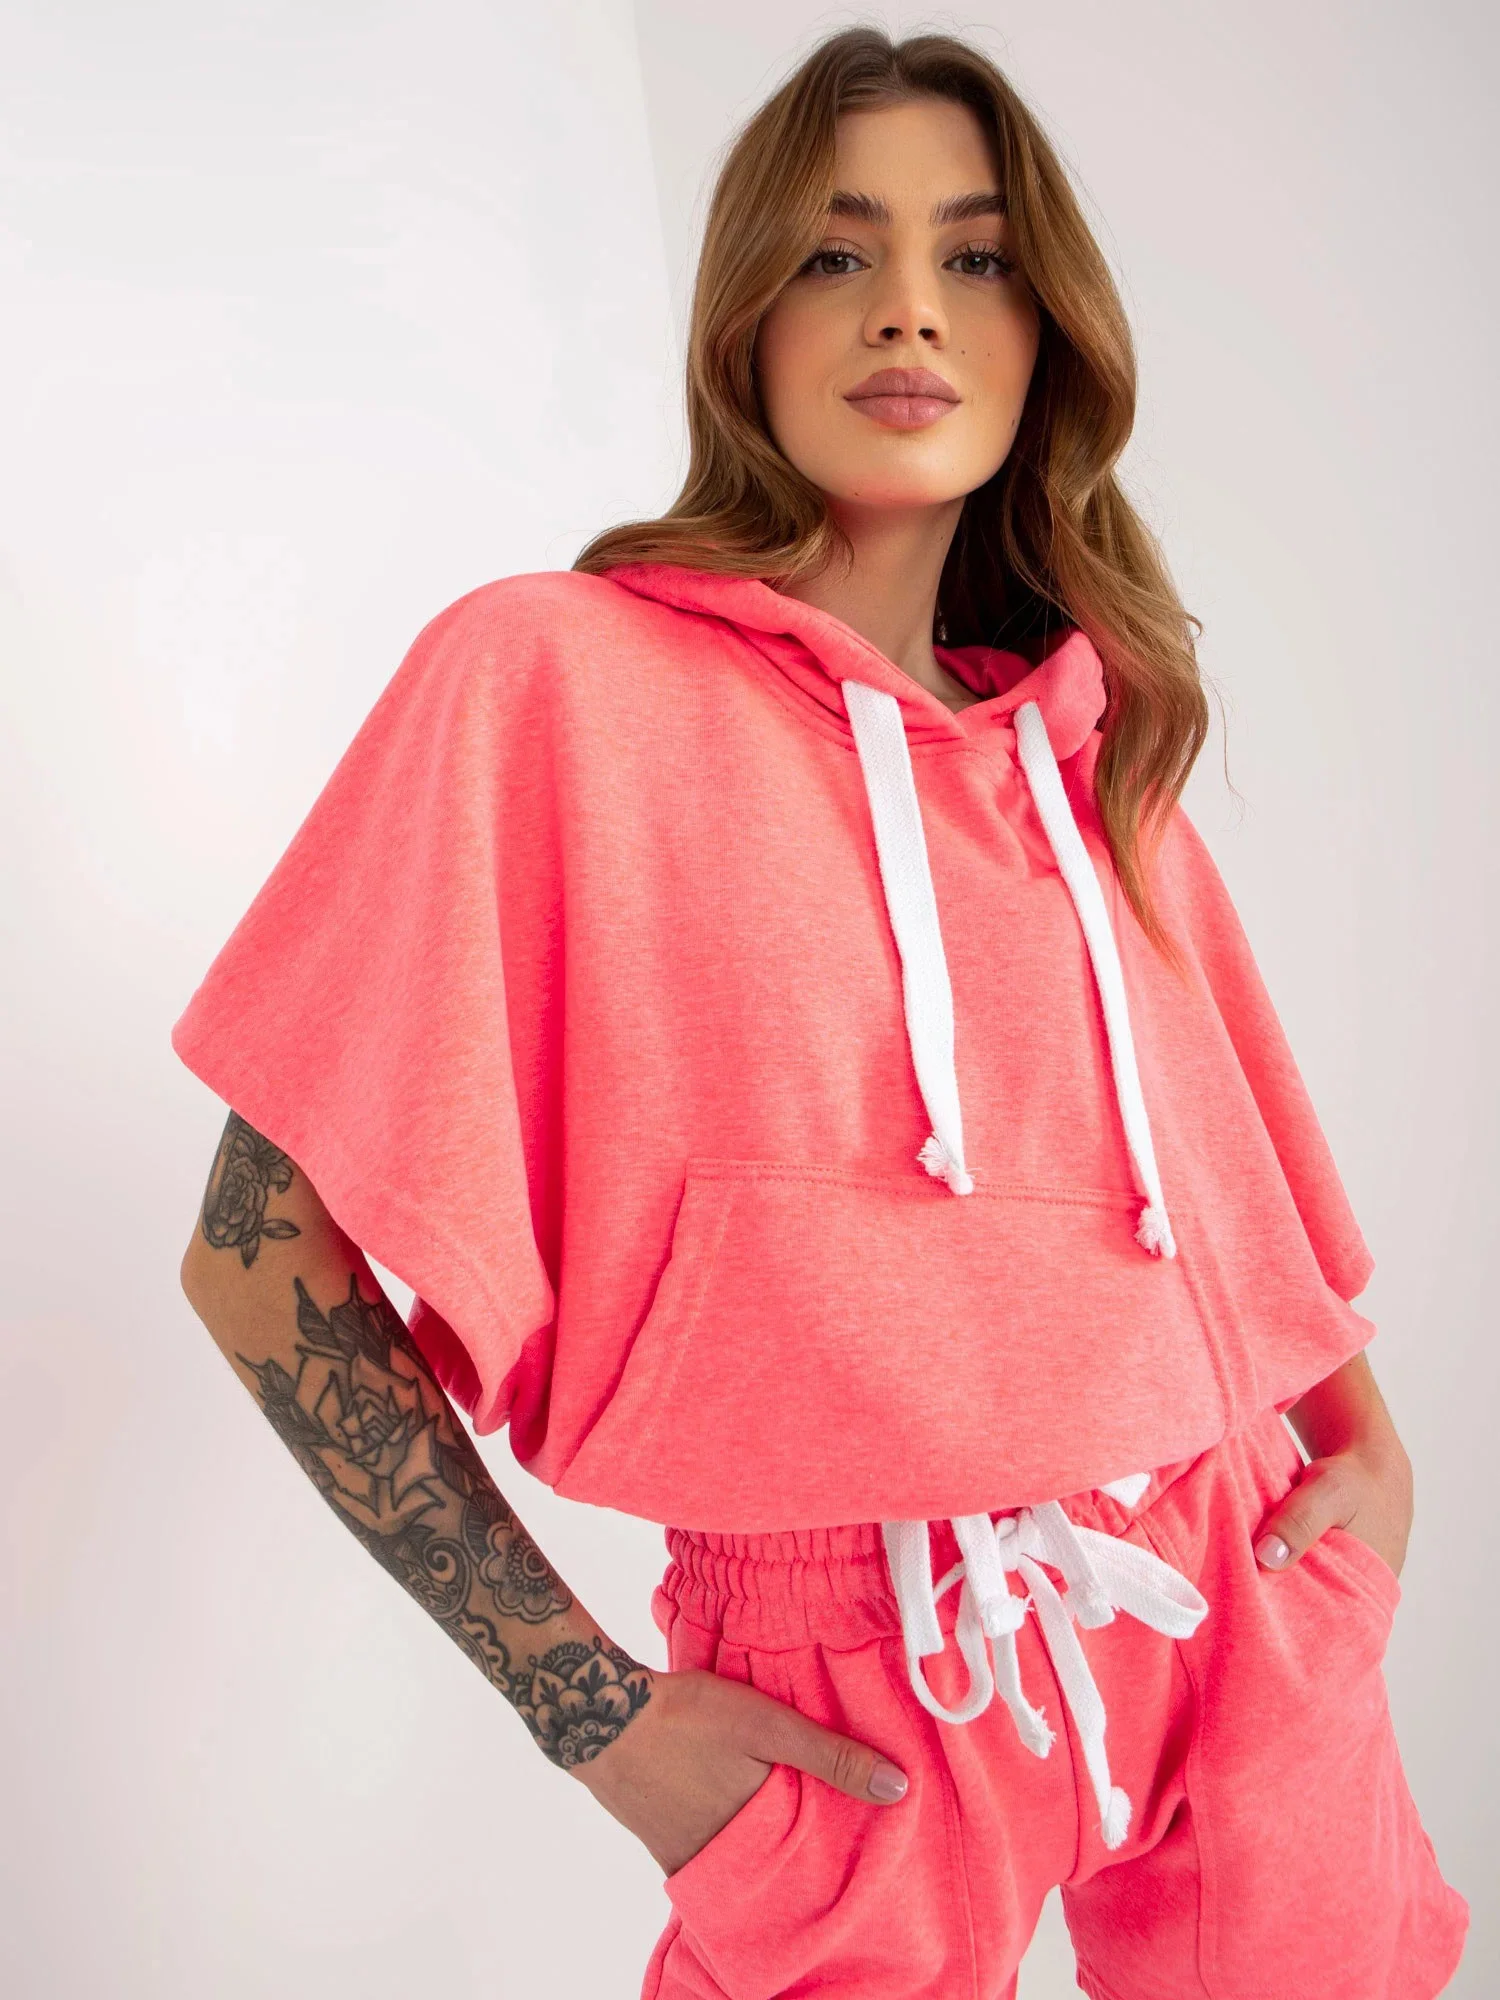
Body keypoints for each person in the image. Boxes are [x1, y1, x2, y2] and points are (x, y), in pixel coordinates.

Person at [174, 25, 1469, 2000]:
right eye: (839, 251)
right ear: (746, 323)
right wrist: (591, 1713)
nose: (909, 311)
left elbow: (1245, 1213)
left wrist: (1368, 1459)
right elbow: (257, 1267)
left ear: (1046, 334)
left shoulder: (1086, 758)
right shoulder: (548, 683)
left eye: (977, 257)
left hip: (1240, 1596)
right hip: (846, 1694)